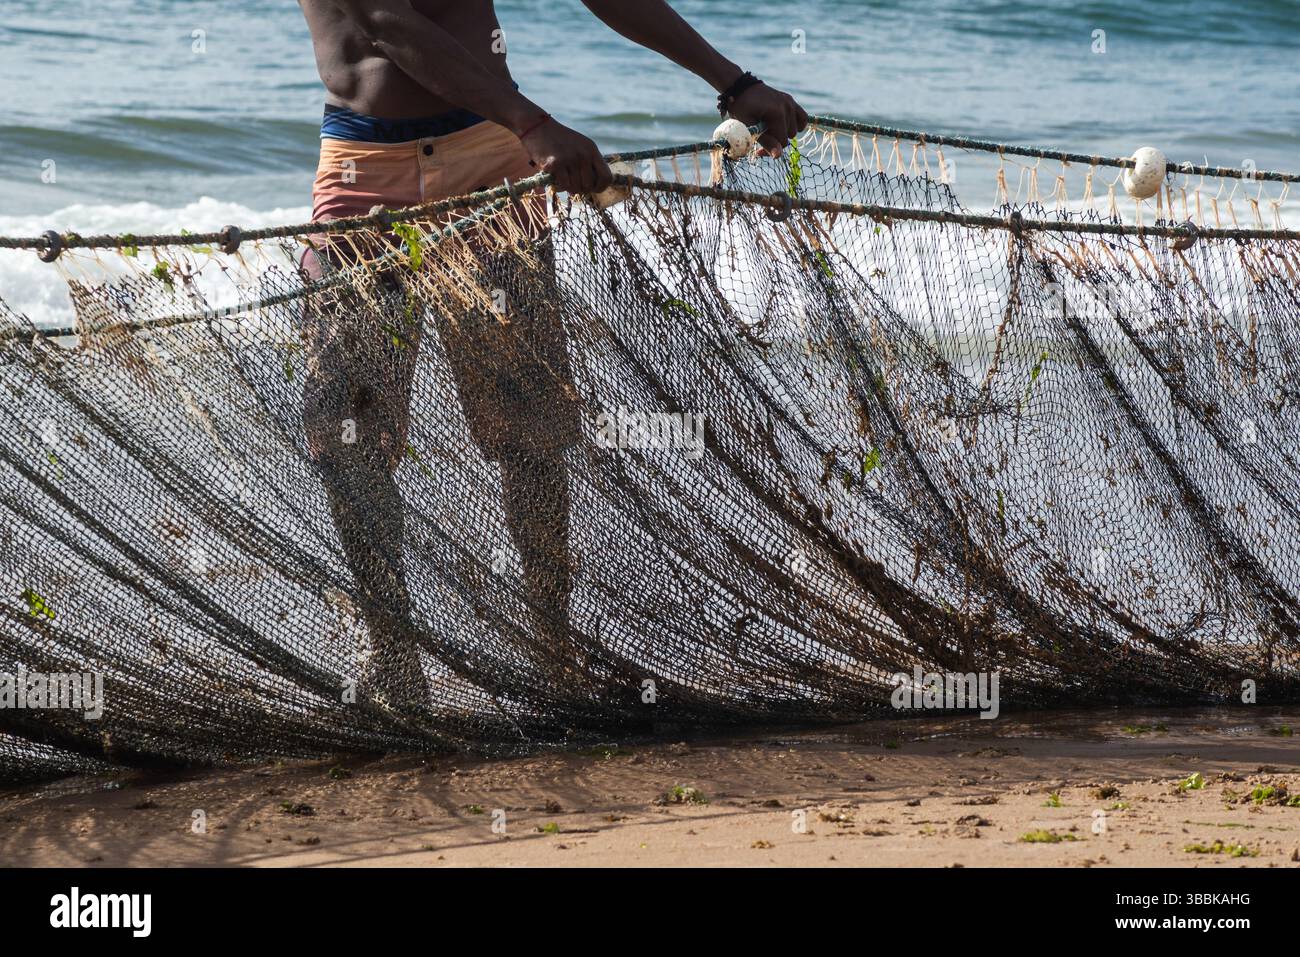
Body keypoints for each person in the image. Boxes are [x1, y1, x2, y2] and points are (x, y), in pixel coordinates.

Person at [298, 0, 809, 712]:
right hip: (367, 172)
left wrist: (732, 82)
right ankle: (393, 660)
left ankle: (554, 655)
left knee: (531, 426)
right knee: (347, 426)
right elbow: (385, 19)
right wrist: (535, 123)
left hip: (493, 157)